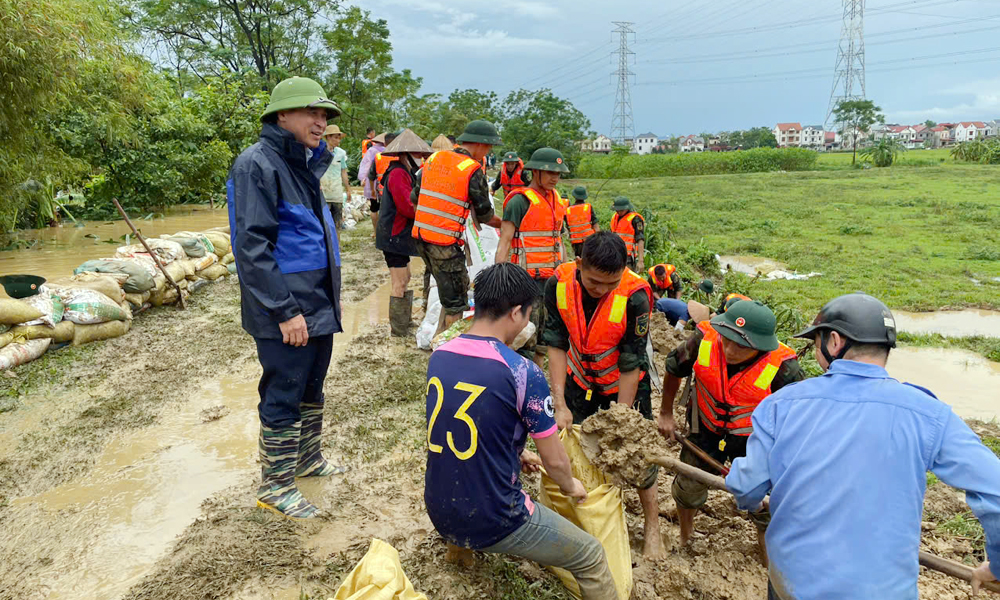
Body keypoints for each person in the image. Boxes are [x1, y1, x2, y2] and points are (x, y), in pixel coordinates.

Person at [726, 293, 1000, 600]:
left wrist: (752, 502)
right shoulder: (930, 414)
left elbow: (746, 486)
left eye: (815, 343)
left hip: (794, 586)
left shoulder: (779, 406)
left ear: (834, 342)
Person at [423, 263, 617, 600]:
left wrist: (516, 452)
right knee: (591, 556)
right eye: (528, 315)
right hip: (494, 517)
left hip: (439, 508)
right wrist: (572, 486)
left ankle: (458, 552)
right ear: (516, 312)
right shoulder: (521, 371)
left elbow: (467, 424)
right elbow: (555, 462)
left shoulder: (440, 354)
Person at [227, 76, 347, 520]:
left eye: (325, 116)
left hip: (317, 302)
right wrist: (285, 311)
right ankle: (275, 486)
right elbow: (252, 247)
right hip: (287, 309)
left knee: (311, 387)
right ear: (282, 116)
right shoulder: (256, 164)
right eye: (312, 113)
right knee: (283, 391)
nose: (321, 123)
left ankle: (306, 460)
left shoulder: (305, 163)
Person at [543, 231, 663, 558]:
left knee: (638, 456)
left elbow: (631, 360)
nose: (603, 290)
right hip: (579, 378)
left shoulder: (636, 296)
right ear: (579, 263)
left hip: (622, 382)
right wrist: (560, 403)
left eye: (611, 283)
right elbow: (555, 343)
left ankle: (652, 527)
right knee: (578, 445)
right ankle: (589, 515)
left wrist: (620, 421)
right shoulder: (557, 284)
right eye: (595, 282)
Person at [657, 300, 804, 561]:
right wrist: (666, 413)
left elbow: (798, 420)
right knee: (688, 487)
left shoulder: (784, 367)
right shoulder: (704, 338)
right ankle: (686, 535)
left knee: (765, 508)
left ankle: (767, 556)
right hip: (704, 426)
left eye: (741, 345)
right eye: (727, 339)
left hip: (753, 441)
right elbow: (672, 368)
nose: (729, 349)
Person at [411, 119, 502, 335]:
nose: (488, 152)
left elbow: (414, 197)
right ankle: (451, 352)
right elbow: (485, 214)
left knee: (445, 293)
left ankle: (439, 338)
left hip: (421, 238)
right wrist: (507, 224)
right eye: (489, 147)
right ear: (481, 144)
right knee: (457, 301)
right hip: (444, 245)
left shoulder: (435, 158)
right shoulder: (472, 169)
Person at [495, 147, 570, 366]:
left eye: (558, 173)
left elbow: (559, 239)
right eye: (549, 173)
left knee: (544, 339)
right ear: (535, 172)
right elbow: (505, 241)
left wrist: (563, 274)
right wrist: (499, 278)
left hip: (551, 280)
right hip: (526, 280)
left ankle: (534, 375)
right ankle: (518, 376)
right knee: (525, 335)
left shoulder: (557, 200)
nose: (554, 178)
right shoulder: (519, 201)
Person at [376, 129, 432, 337]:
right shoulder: (398, 173)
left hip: (397, 235)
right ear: (406, 154)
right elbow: (407, 207)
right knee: (399, 281)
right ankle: (398, 329)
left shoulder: (404, 171)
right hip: (393, 235)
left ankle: (405, 322)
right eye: (417, 155)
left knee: (406, 276)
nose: (420, 159)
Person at [320, 124, 350, 230]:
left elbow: (343, 172)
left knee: (337, 224)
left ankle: (337, 245)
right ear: (328, 137)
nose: (338, 141)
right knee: (324, 224)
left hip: (336, 192)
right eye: (336, 137)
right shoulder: (319, 152)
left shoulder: (341, 153)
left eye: (339, 138)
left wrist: (348, 189)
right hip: (323, 192)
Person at [359, 132, 386, 235]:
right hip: (385, 183)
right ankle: (384, 232)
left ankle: (375, 232)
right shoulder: (389, 151)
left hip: (373, 181)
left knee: (374, 208)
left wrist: (363, 178)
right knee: (385, 208)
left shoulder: (372, 151)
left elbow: (366, 165)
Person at [609, 197, 645, 272]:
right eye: (617, 210)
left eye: (621, 210)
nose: (618, 212)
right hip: (614, 253)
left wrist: (640, 261)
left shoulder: (636, 219)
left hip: (628, 256)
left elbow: (640, 239)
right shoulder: (615, 217)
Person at [565, 186, 599, 257]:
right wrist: (599, 238)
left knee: (579, 261)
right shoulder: (588, 207)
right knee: (590, 260)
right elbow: (595, 224)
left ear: (574, 196)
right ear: (585, 196)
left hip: (576, 242)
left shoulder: (568, 210)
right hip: (589, 240)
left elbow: (568, 227)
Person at [369, 130, 399, 205]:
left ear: (384, 144)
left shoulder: (378, 157)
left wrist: (372, 190)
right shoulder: (399, 156)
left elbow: (371, 176)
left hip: (382, 192)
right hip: (397, 192)